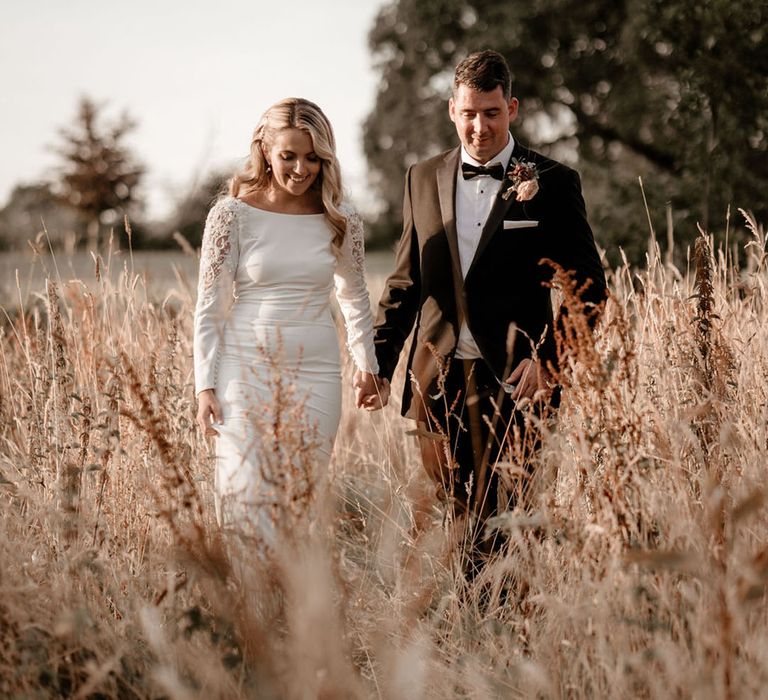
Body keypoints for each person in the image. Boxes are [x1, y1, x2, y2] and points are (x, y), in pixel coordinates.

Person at [358, 50, 607, 556]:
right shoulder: (420, 178)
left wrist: (551, 364)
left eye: (491, 113)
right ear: (452, 109)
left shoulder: (554, 182)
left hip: (518, 380)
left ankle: (505, 625)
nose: (479, 127)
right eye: (469, 113)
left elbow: (590, 289)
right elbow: (406, 283)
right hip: (437, 379)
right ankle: (461, 629)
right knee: (451, 519)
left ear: (511, 109)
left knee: (508, 520)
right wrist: (379, 365)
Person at [194, 97, 386, 541]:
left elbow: (354, 296)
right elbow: (210, 306)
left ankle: (294, 607)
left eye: (313, 158)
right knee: (244, 498)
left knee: (300, 507)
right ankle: (249, 606)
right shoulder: (231, 215)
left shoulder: (341, 218)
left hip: (316, 373)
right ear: (264, 150)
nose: (301, 169)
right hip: (243, 371)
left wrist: (367, 365)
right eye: (289, 156)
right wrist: (204, 384)